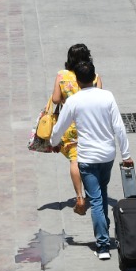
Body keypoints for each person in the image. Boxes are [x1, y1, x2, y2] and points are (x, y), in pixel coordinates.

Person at [48, 59, 133, 260]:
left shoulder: (74, 101)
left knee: (95, 199)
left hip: (87, 158)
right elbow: (119, 127)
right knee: (101, 193)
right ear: (94, 77)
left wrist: (53, 142)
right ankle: (104, 228)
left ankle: (102, 246)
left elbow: (59, 127)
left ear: (77, 80)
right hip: (107, 155)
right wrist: (126, 154)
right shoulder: (107, 96)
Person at [49, 44, 101, 217]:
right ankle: (93, 191)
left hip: (70, 126)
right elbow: (99, 98)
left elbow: (55, 99)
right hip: (90, 124)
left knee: (74, 160)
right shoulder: (94, 76)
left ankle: (79, 196)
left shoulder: (62, 75)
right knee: (90, 159)